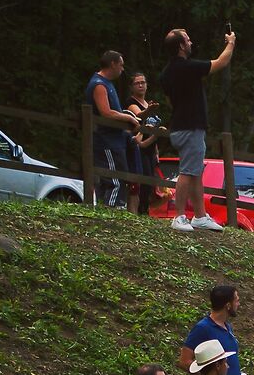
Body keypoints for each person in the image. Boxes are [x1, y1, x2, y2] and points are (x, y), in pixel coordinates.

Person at [158, 27, 234, 233]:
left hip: (180, 125)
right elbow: (221, 62)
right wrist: (231, 43)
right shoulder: (187, 67)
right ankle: (179, 216)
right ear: (181, 46)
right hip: (190, 127)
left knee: (195, 171)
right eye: (188, 40)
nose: (191, 43)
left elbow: (169, 100)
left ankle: (200, 216)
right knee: (187, 171)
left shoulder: (166, 73)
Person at [84, 49, 140, 207]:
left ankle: (110, 208)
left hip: (116, 140)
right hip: (106, 140)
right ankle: (112, 210)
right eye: (121, 65)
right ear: (113, 64)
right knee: (114, 179)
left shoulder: (108, 84)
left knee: (117, 176)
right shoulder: (99, 84)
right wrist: (128, 117)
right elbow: (106, 112)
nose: (122, 69)